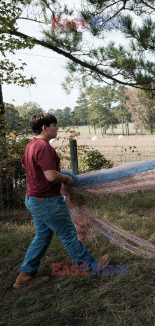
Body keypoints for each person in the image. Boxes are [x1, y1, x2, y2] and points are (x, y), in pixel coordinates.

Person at [13, 113, 110, 289]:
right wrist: (66, 179)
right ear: (45, 127)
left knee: (42, 236)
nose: (57, 128)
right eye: (54, 125)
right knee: (68, 234)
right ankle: (92, 266)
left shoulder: (30, 145)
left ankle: (24, 276)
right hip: (47, 201)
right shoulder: (44, 147)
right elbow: (51, 176)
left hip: (33, 198)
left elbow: (26, 165)